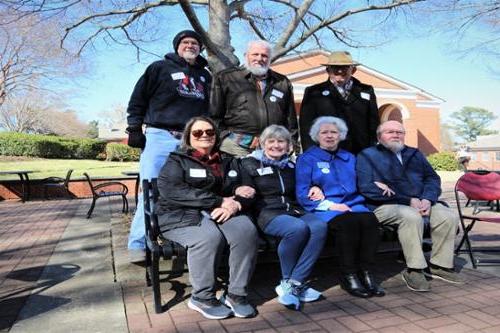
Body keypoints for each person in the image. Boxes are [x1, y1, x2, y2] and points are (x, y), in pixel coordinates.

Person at [156, 116, 258, 319]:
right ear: (188, 137)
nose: (204, 136)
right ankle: (201, 297)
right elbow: (173, 190)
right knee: (208, 237)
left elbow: (246, 187)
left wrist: (236, 203)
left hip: (222, 211)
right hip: (179, 215)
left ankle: (236, 294)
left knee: (246, 231)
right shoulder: (177, 160)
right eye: (198, 132)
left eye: (210, 132)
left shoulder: (228, 160)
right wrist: (219, 201)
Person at [125, 30, 211, 262]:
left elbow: (211, 111)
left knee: (193, 188)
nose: (190, 45)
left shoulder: (205, 76)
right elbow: (138, 99)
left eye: (195, 43)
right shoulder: (159, 68)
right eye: (185, 42)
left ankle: (189, 236)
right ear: (177, 46)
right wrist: (134, 127)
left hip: (191, 140)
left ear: (200, 48)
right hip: (160, 136)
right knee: (151, 187)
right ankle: (138, 243)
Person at [356, 120, 465, 292]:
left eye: (400, 132)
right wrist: (408, 200)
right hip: (384, 206)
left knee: (447, 216)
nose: (395, 135)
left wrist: (428, 199)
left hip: (421, 201)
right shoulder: (368, 155)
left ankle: (439, 265)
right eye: (390, 132)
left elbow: (432, 178)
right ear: (379, 136)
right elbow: (366, 188)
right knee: (410, 216)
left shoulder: (414, 154)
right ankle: (414, 269)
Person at [239, 125, 328, 310]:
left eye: (281, 141)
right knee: (297, 228)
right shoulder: (249, 164)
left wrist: (315, 187)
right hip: (267, 213)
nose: (276, 145)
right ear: (263, 144)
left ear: (288, 145)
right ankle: (288, 280)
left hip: (294, 209)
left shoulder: (293, 165)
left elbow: (307, 183)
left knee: (319, 226)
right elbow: (242, 189)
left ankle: (295, 283)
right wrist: (240, 190)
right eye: (271, 141)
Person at [296, 116, 384, 298]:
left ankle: (366, 273)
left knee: (370, 221)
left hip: (355, 205)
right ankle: (348, 275)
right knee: (348, 224)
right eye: (324, 132)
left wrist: (378, 183)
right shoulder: (307, 159)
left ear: (341, 135)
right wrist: (330, 204)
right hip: (326, 208)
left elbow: (363, 180)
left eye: (334, 132)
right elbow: (302, 192)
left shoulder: (349, 158)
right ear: (316, 136)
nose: (329, 136)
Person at [210, 40, 298, 157]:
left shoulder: (281, 82)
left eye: (264, 55)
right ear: (246, 56)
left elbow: (290, 119)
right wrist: (224, 137)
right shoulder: (226, 78)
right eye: (255, 54)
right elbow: (214, 115)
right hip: (235, 146)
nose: (259, 58)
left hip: (272, 147)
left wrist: (292, 143)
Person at [299, 51, 379, 154]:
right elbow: (306, 128)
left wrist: (372, 152)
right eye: (335, 67)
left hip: (360, 154)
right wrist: (311, 154)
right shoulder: (314, 92)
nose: (340, 71)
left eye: (345, 67)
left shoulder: (367, 91)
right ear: (328, 70)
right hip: (327, 154)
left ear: (353, 70)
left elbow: (374, 124)